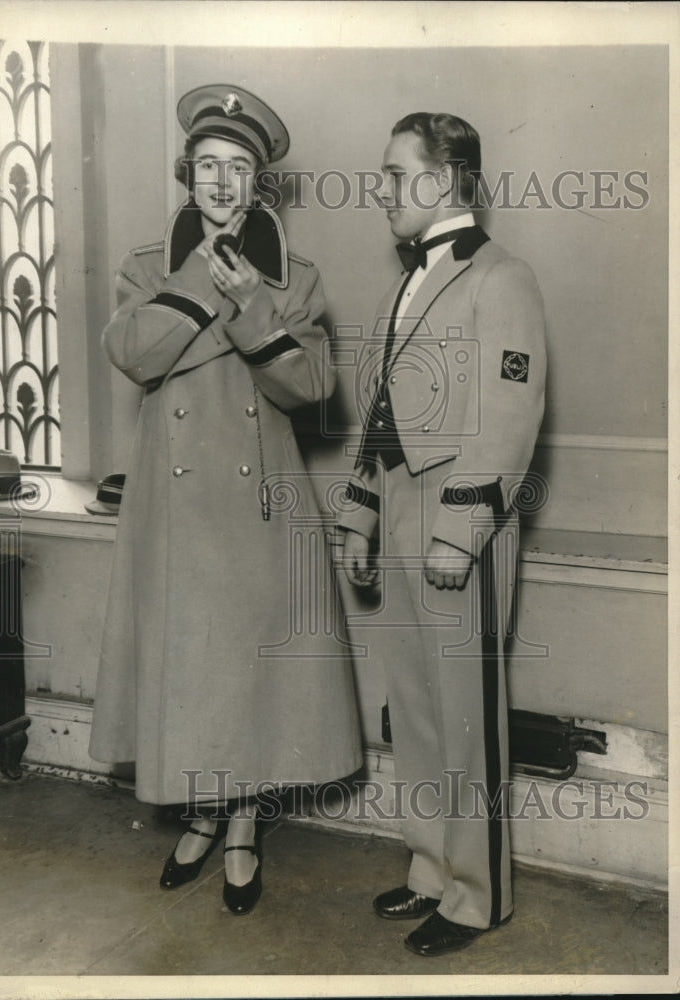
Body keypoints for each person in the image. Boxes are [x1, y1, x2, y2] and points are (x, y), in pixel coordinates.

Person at [89, 84, 361, 915]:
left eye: (237, 168)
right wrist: (205, 286)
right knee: (191, 668)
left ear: (257, 184)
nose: (219, 182)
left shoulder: (296, 279)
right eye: (206, 165)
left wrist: (249, 301)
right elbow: (133, 357)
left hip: (260, 509)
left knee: (247, 674)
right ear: (187, 175)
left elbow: (313, 388)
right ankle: (201, 813)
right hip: (173, 515)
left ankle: (242, 821)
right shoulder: (145, 268)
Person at [340, 112, 546, 955]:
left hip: (459, 524)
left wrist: (459, 531)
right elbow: (380, 413)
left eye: (394, 174)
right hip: (398, 516)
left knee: (467, 721)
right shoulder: (404, 282)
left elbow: (509, 414)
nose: (382, 190)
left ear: (442, 177)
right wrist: (359, 511)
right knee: (417, 716)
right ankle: (432, 871)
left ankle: (479, 897)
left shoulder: (502, 278)